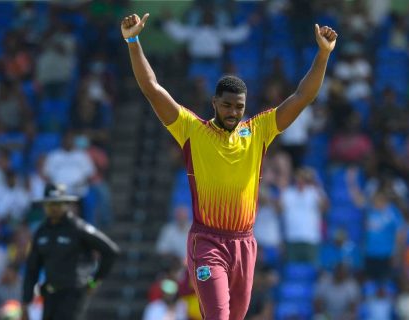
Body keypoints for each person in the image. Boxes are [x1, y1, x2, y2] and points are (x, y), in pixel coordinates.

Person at [121, 13, 337, 320]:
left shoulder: (259, 130)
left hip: (244, 244)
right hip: (207, 241)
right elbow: (153, 89)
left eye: (239, 106)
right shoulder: (191, 130)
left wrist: (323, 54)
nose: (233, 111)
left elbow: (302, 96)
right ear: (214, 102)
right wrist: (133, 41)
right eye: (227, 105)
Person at [21, 183, 120, 320]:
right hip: (50, 294)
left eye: (58, 204)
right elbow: (32, 268)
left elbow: (110, 251)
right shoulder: (41, 232)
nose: (54, 208)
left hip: (73, 294)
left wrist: (95, 281)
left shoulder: (78, 228)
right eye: (50, 204)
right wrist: (26, 301)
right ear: (44, 206)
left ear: (66, 204)